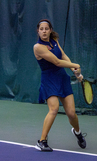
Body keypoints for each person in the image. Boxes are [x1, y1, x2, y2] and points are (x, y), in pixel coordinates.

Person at [33, 19, 86, 152]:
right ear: (38, 31)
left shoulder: (54, 41)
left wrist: (75, 72)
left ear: (50, 30)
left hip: (62, 77)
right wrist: (75, 65)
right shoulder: (38, 47)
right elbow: (57, 62)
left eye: (46, 29)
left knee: (71, 113)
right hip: (49, 79)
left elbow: (62, 55)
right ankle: (42, 141)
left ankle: (78, 133)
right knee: (54, 108)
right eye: (41, 29)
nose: (44, 31)